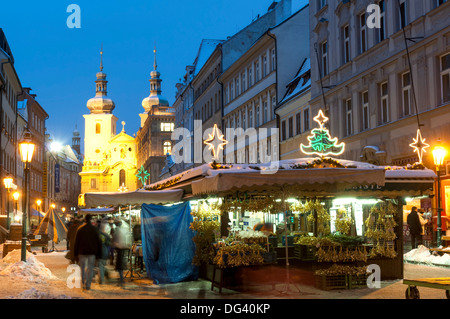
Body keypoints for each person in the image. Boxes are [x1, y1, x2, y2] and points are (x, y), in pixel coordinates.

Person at [74, 214, 102, 290]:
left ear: (85, 220)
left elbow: (76, 242)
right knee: (90, 268)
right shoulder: (94, 229)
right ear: (91, 219)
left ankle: (83, 283)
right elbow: (99, 242)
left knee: (82, 268)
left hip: (82, 252)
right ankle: (88, 284)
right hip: (91, 252)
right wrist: (99, 254)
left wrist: (75, 254)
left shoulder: (80, 229)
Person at [111, 217, 132, 287]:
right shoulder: (126, 228)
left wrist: (113, 244)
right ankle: (121, 279)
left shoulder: (118, 230)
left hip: (120, 249)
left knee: (119, 266)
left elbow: (114, 239)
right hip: (126, 249)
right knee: (121, 265)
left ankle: (121, 280)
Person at [98, 218, 112, 284]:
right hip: (105, 252)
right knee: (102, 265)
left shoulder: (98, 235)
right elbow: (109, 244)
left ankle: (102, 279)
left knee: (101, 265)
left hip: (100, 252)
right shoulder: (106, 236)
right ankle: (103, 277)